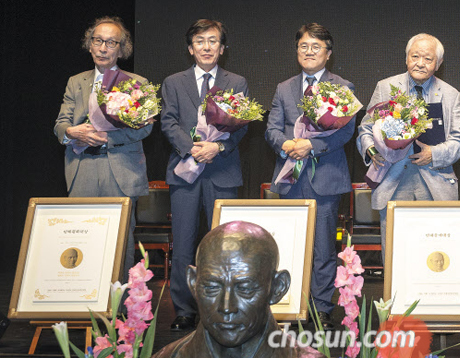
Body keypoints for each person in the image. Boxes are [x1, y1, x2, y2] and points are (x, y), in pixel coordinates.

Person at [142, 221, 327, 358]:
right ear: (193, 283)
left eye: (245, 289)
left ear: (277, 288)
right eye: (212, 287)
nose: (226, 307)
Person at [265, 23, 355, 330]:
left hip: (325, 177)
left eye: (315, 47)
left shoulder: (342, 86)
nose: (309, 52)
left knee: (323, 247)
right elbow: (272, 129)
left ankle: (321, 307)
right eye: (303, 46)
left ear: (328, 54)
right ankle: (289, 304)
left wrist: (311, 145)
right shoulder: (283, 88)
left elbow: (345, 132)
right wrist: (286, 144)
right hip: (290, 176)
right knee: (289, 245)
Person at [161, 19, 249, 331]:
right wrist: (192, 148)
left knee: (224, 245)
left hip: (222, 172)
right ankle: (185, 309)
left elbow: (242, 126)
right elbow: (168, 121)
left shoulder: (236, 82)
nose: (207, 47)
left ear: (222, 49)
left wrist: (218, 149)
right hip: (185, 172)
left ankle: (221, 309)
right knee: (184, 242)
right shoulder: (173, 82)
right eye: (200, 41)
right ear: (190, 48)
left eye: (213, 41)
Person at [54, 16, 150, 284]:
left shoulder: (136, 82)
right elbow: (60, 124)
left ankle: (118, 311)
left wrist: (109, 138)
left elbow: (144, 129)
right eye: (98, 41)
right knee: (80, 238)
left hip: (120, 170)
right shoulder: (76, 82)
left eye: (111, 42)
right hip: (81, 169)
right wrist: (72, 132)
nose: (103, 48)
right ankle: (82, 302)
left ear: (122, 49)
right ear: (89, 44)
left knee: (119, 243)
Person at [356, 33, 460, 257]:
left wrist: (434, 154)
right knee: (395, 254)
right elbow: (365, 128)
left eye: (427, 58)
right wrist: (370, 149)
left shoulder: (451, 95)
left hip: (435, 183)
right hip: (393, 182)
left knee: (433, 254)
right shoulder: (385, 87)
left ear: (438, 64)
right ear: (406, 58)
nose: (420, 63)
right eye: (414, 56)